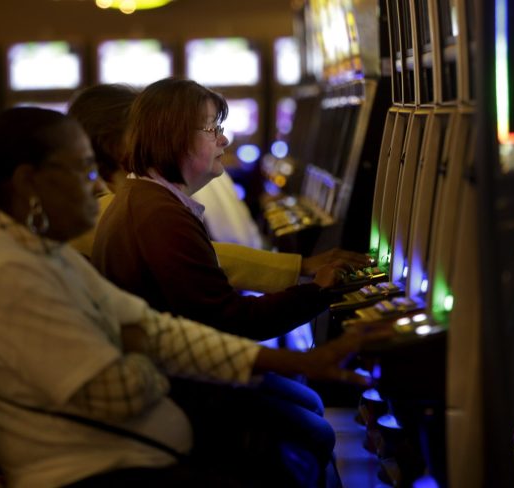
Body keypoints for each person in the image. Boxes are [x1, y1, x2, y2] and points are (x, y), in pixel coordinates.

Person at [0, 107, 392, 488]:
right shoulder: (6, 275)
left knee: (300, 442)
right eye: (80, 170)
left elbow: (155, 330)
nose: (95, 183)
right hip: (93, 473)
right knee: (294, 452)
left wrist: (299, 364)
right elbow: (120, 392)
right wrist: (153, 354)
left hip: (137, 452)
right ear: (27, 182)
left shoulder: (42, 252)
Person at [88, 79, 363, 485]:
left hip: (179, 379)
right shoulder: (157, 213)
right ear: (174, 137)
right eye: (212, 129)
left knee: (307, 405)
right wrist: (321, 291)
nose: (225, 139)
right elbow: (229, 320)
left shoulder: (150, 199)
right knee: (314, 429)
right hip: (181, 392)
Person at [68, 84, 368, 294]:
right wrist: (300, 268)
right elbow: (203, 258)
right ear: (111, 143)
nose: (156, 137)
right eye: (142, 129)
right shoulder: (103, 208)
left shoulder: (145, 189)